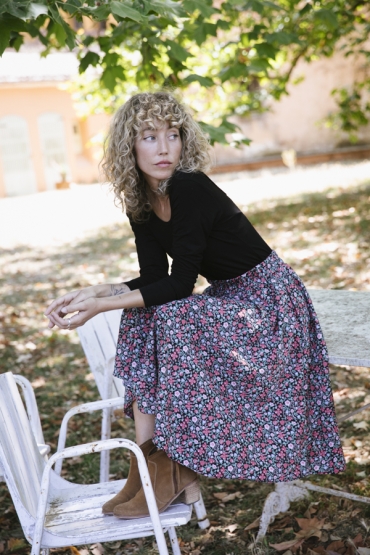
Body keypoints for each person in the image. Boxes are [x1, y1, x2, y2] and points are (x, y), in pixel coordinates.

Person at [45, 91, 345, 520]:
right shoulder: (141, 200)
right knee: (145, 310)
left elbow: (181, 284)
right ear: (129, 145)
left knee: (160, 313)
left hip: (269, 302)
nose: (164, 147)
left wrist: (103, 307)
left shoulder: (188, 186)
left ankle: (165, 466)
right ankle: (150, 465)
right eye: (149, 136)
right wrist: (98, 292)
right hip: (229, 298)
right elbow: (154, 280)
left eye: (173, 135)